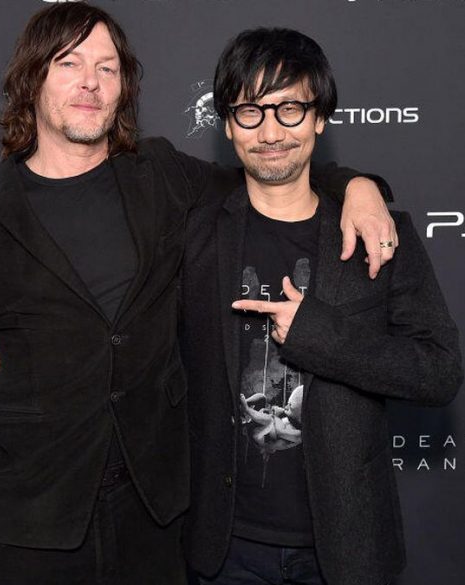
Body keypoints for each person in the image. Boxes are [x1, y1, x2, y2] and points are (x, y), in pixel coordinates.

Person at [0, 3, 395, 585]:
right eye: (69, 63)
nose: (91, 82)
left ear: (124, 87)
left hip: (156, 520)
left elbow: (271, 168)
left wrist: (360, 186)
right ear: (32, 78)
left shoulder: (162, 174)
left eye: (108, 68)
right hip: (25, 527)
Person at [179, 27, 462, 585]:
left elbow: (438, 372)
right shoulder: (195, 233)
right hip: (223, 549)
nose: (270, 132)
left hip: (348, 547)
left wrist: (317, 334)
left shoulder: (380, 234)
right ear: (228, 124)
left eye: (290, 109)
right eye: (250, 112)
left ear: (320, 118)